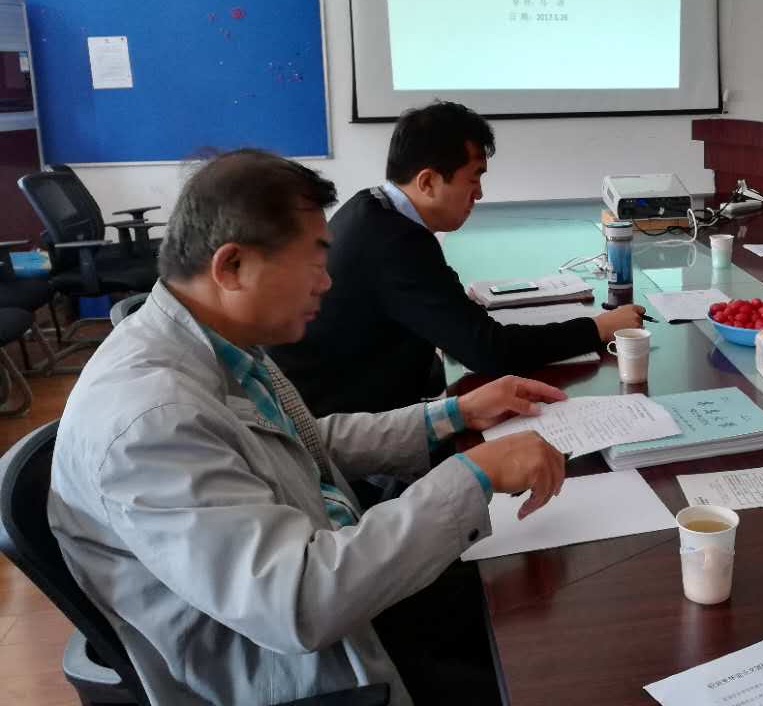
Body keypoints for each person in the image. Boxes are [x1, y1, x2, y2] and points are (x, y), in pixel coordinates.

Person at [48, 149, 569, 706]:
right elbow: (296, 602)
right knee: (554, 667)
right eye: (315, 261)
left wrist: (453, 414)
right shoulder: (151, 424)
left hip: (347, 595)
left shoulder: (213, 342)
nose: (326, 282)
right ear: (232, 267)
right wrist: (472, 475)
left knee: (539, 594)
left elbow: (303, 442)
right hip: (313, 668)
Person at [271, 101, 643, 416]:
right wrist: (598, 328)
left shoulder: (371, 207)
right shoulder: (395, 241)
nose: (479, 194)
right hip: (346, 425)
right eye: (473, 178)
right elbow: (490, 351)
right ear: (427, 182)